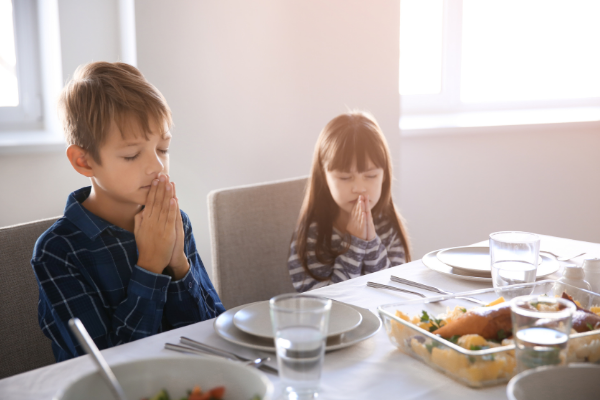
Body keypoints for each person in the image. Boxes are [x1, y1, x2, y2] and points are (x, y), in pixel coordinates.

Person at [31, 62, 224, 362]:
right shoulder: (58, 252)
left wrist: (178, 265)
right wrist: (149, 266)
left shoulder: (174, 221)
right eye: (132, 155)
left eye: (163, 148)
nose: (157, 166)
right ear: (84, 161)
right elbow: (108, 367)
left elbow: (212, 333)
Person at [287, 111, 411, 292]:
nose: (359, 188)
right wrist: (355, 245)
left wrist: (372, 244)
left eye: (370, 175)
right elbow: (329, 305)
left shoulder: (387, 225)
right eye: (345, 177)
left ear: (384, 176)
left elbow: (392, 293)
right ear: (324, 177)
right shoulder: (312, 235)